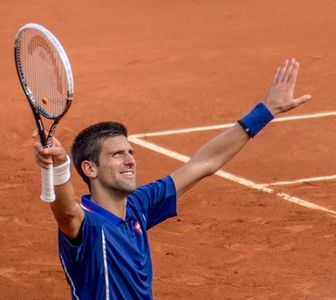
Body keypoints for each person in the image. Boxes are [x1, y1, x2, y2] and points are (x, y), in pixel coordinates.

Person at [34, 58, 311, 299]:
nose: (130, 159)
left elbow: (204, 163)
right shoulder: (88, 224)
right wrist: (59, 166)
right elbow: (66, 211)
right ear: (90, 169)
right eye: (117, 155)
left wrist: (266, 111)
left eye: (130, 152)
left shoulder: (139, 205)